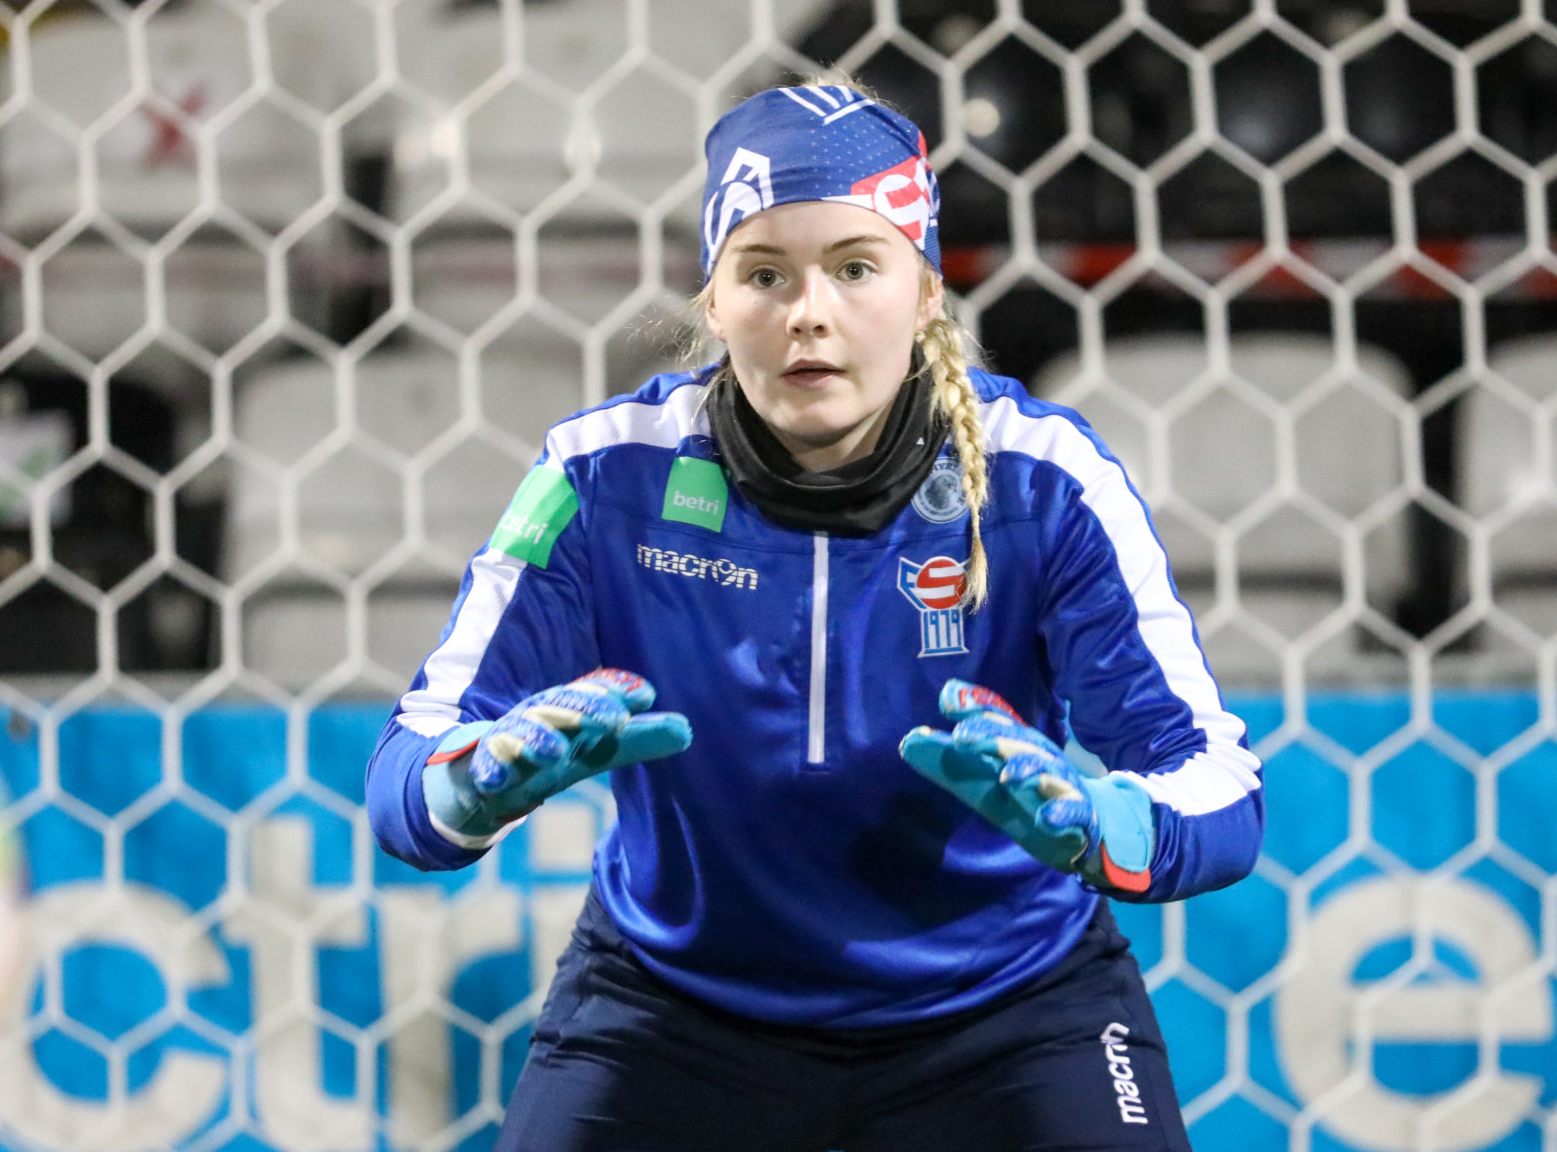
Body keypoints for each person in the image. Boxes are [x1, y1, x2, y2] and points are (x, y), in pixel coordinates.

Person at [365, 73, 1262, 1151]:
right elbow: (407, 769)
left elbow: (1216, 786)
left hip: (1013, 1011)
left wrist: (1104, 827)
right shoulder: (601, 475)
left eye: (855, 268)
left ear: (925, 290)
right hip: (674, 1007)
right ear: (712, 300)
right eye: (763, 274)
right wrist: (472, 784)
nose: (809, 314)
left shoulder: (1044, 477)